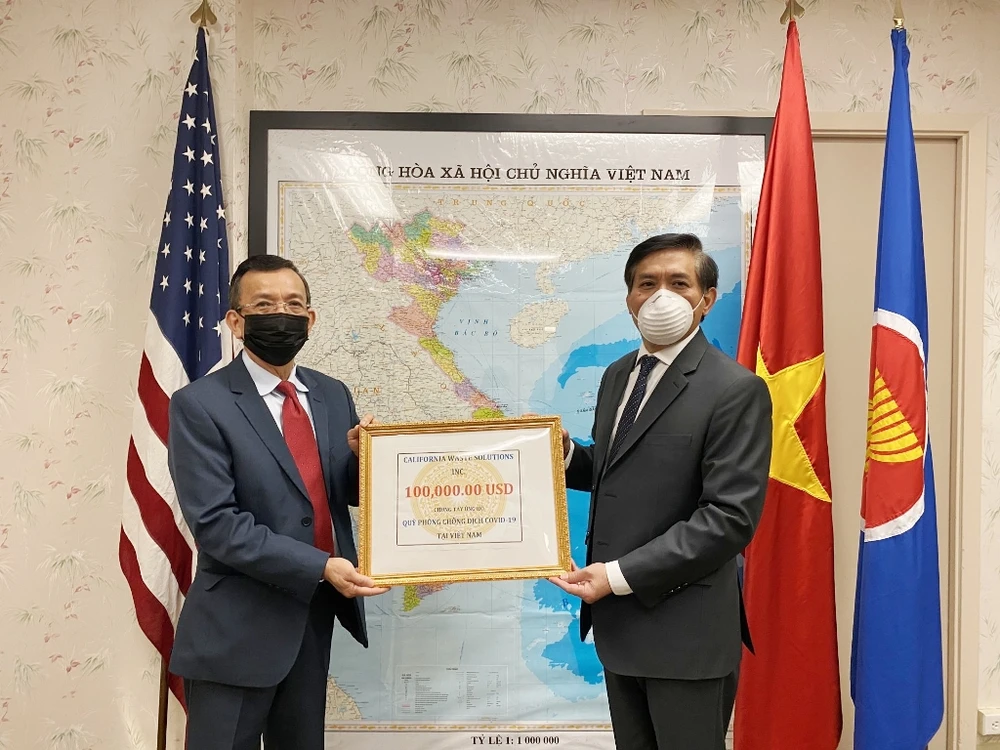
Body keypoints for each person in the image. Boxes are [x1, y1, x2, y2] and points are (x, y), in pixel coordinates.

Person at [548, 233, 773, 750]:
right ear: (630, 299)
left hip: (685, 635)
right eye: (646, 284)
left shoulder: (734, 389)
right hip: (620, 631)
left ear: (706, 298)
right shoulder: (617, 375)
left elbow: (729, 518)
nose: (660, 297)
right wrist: (564, 455)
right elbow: (620, 470)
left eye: (678, 283)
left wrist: (616, 576)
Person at [167, 254, 389, 750]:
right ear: (235, 321)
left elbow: (340, 494)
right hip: (234, 631)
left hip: (312, 619)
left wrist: (366, 461)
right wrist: (321, 565)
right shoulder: (199, 404)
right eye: (264, 305)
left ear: (310, 319)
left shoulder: (332, 394)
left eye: (292, 305)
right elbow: (217, 525)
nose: (280, 315)